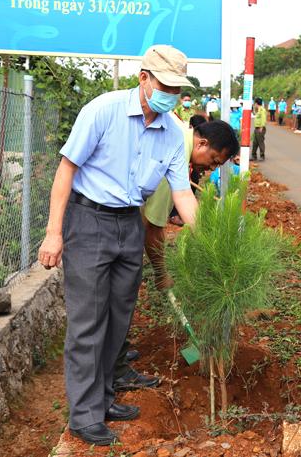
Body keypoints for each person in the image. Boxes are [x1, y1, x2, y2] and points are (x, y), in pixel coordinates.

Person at [37, 45, 198, 446]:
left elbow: (182, 194)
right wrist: (54, 232)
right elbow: (66, 169)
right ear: (144, 78)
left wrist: (209, 239)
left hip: (130, 223)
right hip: (88, 220)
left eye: (178, 90)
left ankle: (104, 397)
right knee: (89, 320)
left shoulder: (174, 132)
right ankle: (84, 414)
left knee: (119, 317)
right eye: (166, 85)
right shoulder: (103, 111)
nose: (171, 95)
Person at [115, 120, 239, 393]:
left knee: (122, 292)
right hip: (116, 223)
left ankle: (117, 353)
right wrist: (161, 272)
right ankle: (116, 366)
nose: (212, 168)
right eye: (214, 160)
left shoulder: (177, 138)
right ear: (202, 143)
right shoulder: (174, 154)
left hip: (119, 219)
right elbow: (152, 227)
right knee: (121, 293)